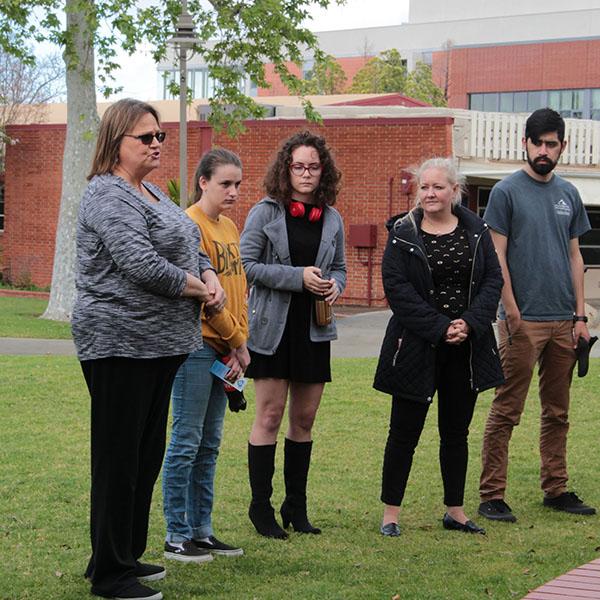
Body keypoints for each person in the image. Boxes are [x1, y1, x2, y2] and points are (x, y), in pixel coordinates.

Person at [72, 98, 224, 600]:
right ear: (118, 142)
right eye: (147, 137)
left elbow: (192, 243)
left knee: (144, 455)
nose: (158, 143)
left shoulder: (153, 192)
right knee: (118, 458)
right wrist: (200, 289)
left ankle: (123, 556)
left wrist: (207, 273)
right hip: (118, 343)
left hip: (163, 345)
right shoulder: (106, 195)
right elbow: (140, 263)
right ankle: (110, 575)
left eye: (160, 136)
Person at [373, 157, 504, 537]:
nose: (430, 193)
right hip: (415, 346)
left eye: (438, 187)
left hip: (466, 348)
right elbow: (397, 290)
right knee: (403, 434)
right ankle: (391, 515)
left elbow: (492, 282)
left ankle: (456, 511)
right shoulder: (403, 233)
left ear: (454, 191)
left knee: (456, 432)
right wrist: (441, 327)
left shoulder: (477, 232)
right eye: (424, 187)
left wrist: (471, 323)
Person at [478, 108, 597, 522]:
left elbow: (574, 255)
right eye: (538, 143)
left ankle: (556, 488)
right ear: (524, 144)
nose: (544, 150)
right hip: (521, 320)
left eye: (552, 143)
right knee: (507, 409)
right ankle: (492, 494)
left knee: (558, 412)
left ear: (563, 146)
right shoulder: (506, 191)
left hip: (565, 320)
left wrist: (580, 317)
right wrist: (511, 313)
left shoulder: (568, 194)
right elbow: (497, 255)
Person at [240, 130, 346, 538]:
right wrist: (297, 278)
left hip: (314, 330)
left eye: (313, 167)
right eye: (298, 166)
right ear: (286, 169)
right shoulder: (265, 213)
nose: (306, 173)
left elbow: (339, 268)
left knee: (305, 419)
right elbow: (246, 266)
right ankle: (260, 507)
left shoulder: (332, 217)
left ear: (324, 172)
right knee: (269, 416)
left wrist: (335, 285)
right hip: (271, 329)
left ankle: (295, 508)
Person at [162, 149, 250, 562]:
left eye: (238, 184)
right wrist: (237, 342)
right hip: (196, 346)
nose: (233, 192)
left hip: (226, 348)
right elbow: (208, 301)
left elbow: (237, 292)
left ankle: (202, 530)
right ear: (203, 182)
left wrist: (240, 343)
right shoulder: (188, 225)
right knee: (186, 440)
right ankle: (176, 533)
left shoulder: (230, 226)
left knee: (210, 443)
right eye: (225, 184)